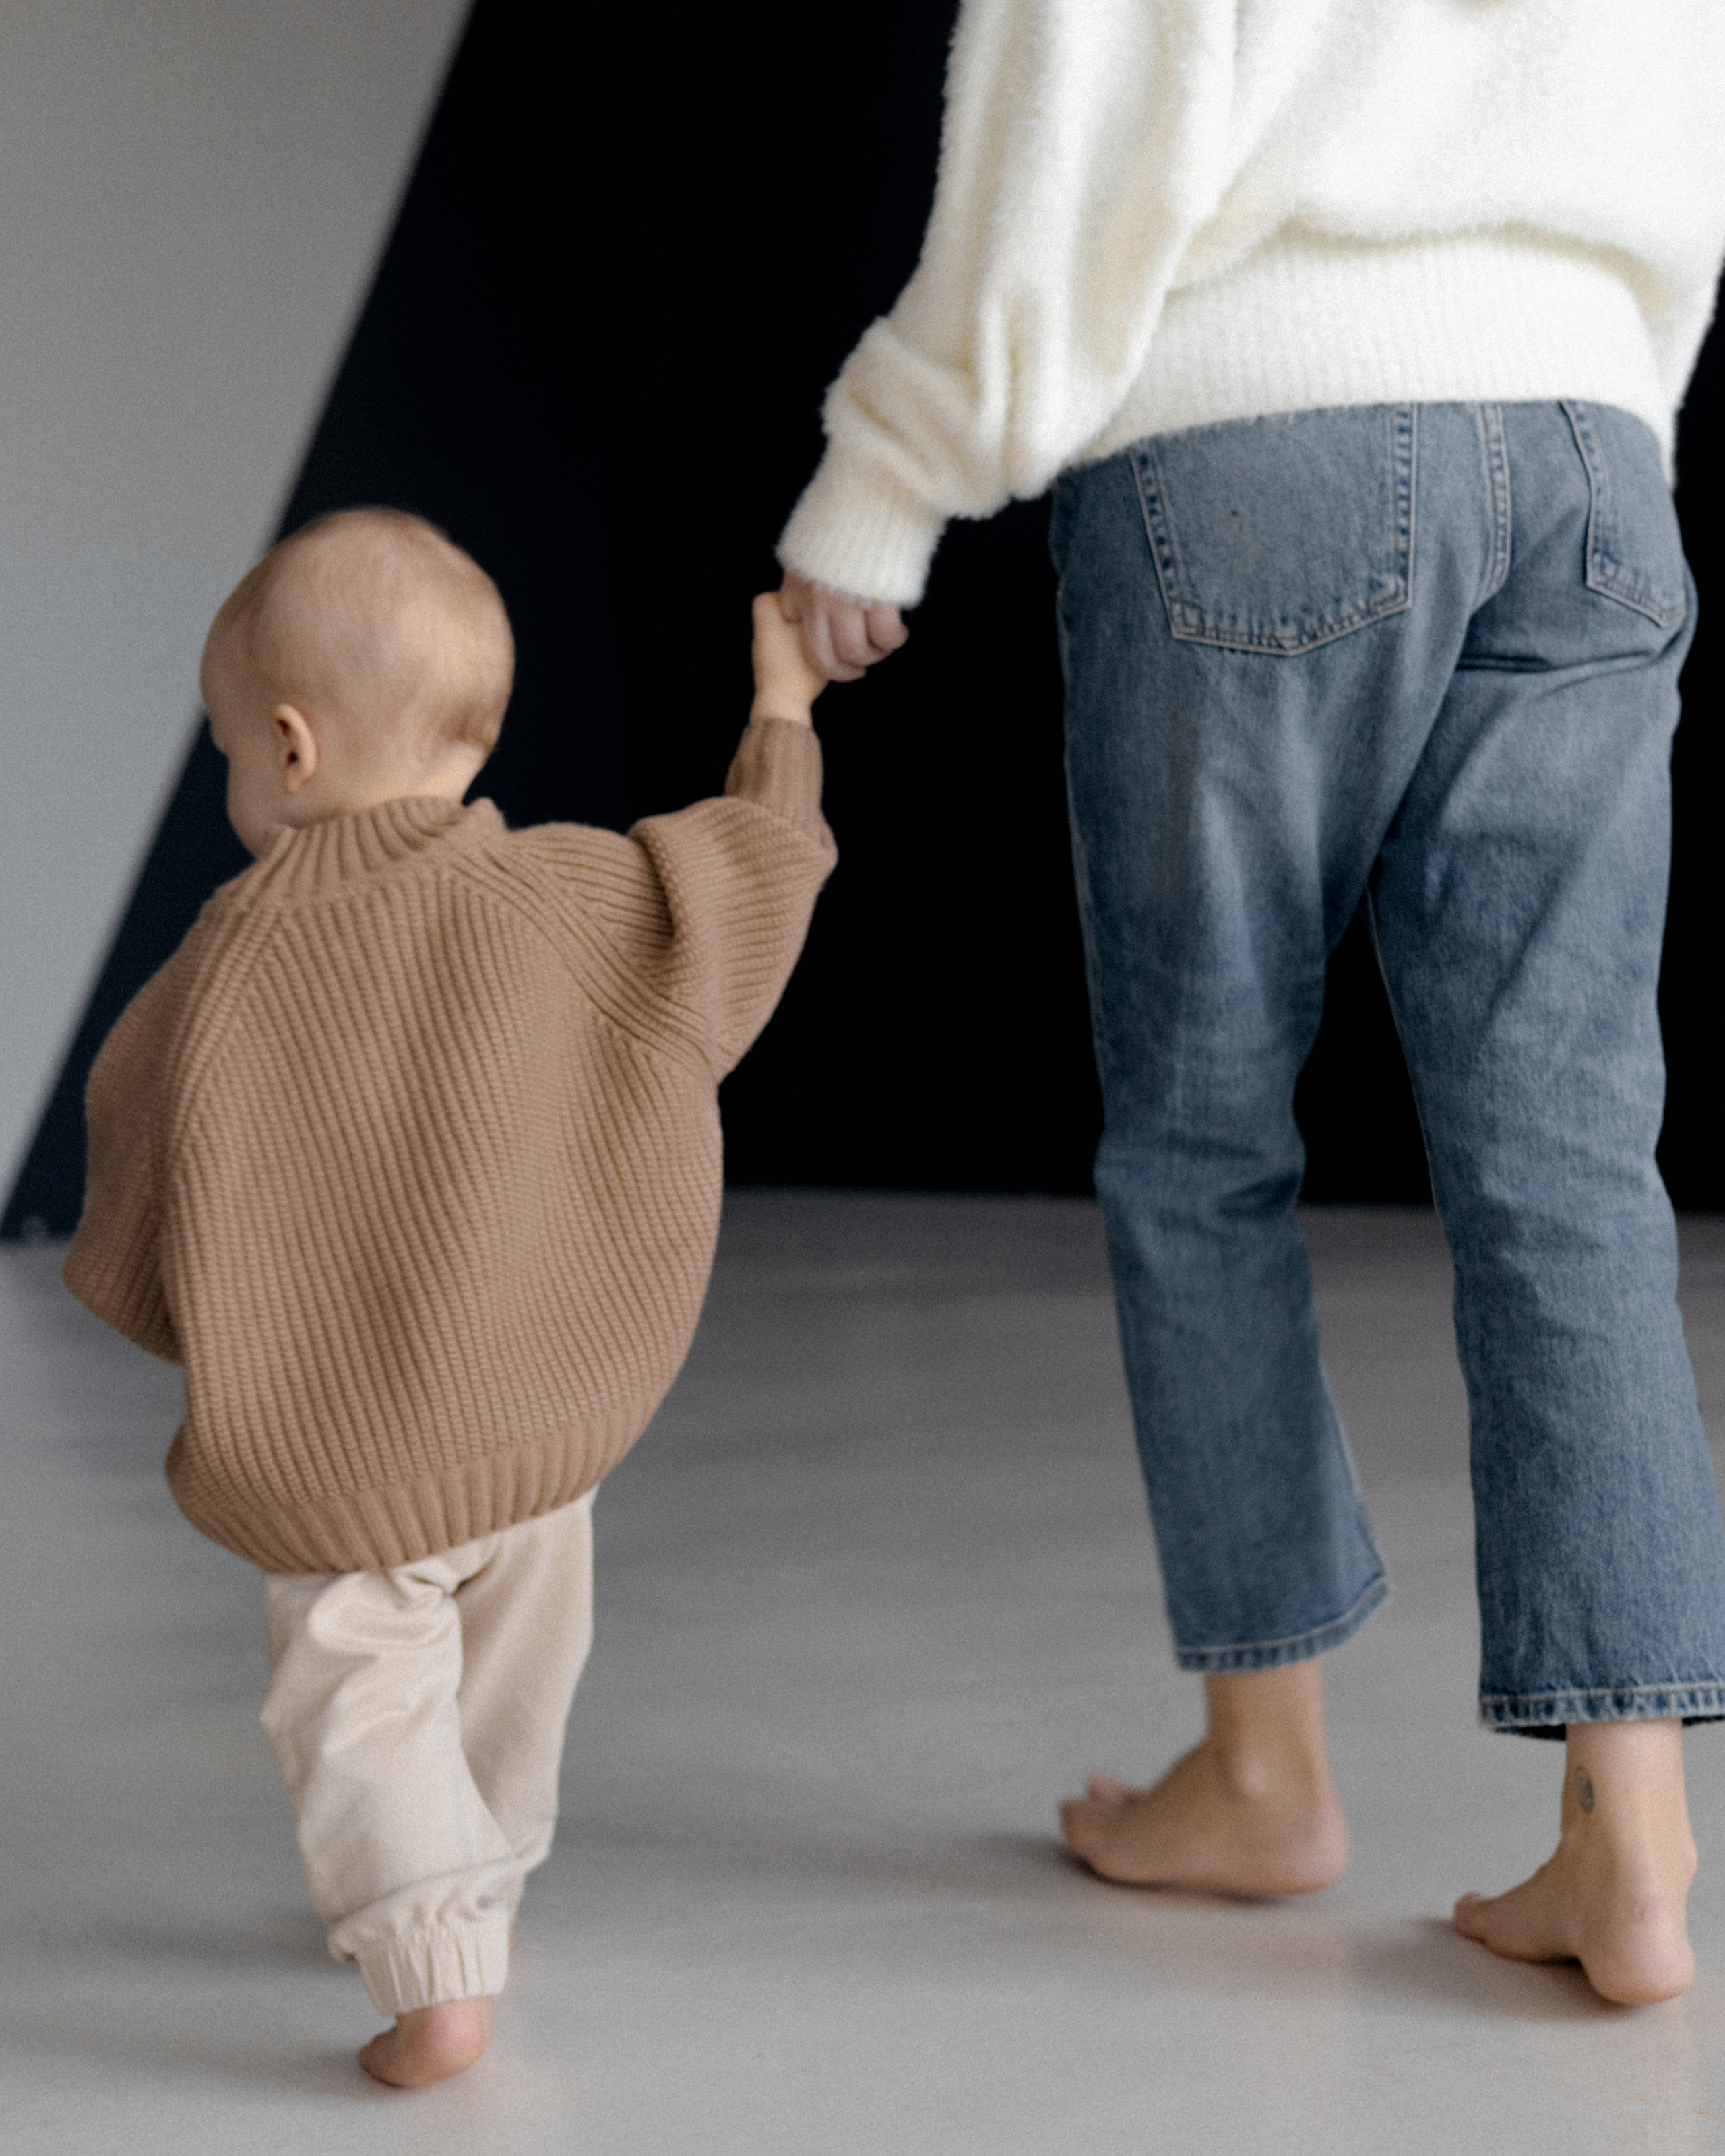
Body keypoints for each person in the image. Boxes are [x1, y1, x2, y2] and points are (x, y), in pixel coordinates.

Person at [776, 1, 1725, 2005]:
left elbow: (1072, 105)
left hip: (1258, 432)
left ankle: (1262, 1772)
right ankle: (1633, 1845)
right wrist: (1601, 404)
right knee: (1570, 1150)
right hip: (1589, 449)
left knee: (1205, 1137)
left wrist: (890, 477)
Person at [62, 510, 835, 2083]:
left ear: (286, 747)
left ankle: (434, 1973)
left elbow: (142, 1181)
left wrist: (209, 1318)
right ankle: (477, 1879)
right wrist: (783, 713)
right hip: (544, 1431)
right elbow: (747, 886)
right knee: (509, 1677)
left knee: (356, 1697)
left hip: (355, 1457)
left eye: (224, 751)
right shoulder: (570, 896)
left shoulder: (217, 971)